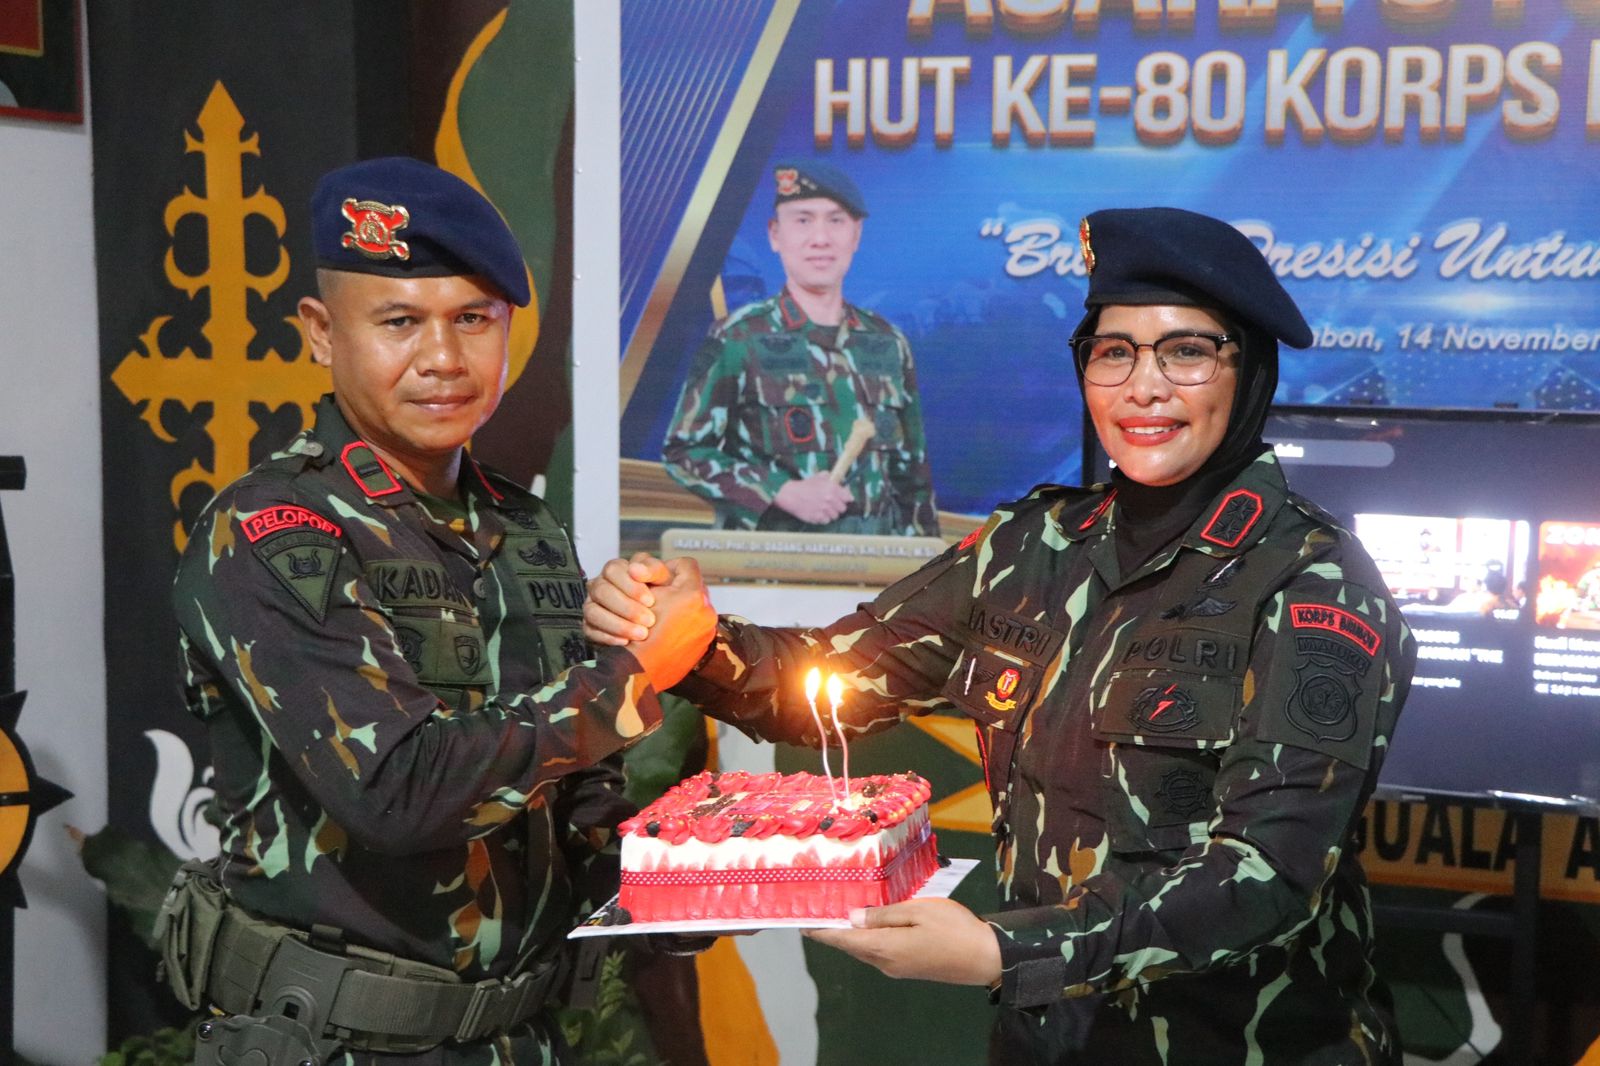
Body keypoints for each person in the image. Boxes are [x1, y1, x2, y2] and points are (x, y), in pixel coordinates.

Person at [589, 207, 1416, 1064]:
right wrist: (692, 640)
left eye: (1186, 351)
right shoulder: (1028, 548)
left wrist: (1004, 951)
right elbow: (828, 682)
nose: (1144, 387)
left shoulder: (1313, 582)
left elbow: (1267, 875)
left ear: (1251, 372)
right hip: (1044, 1041)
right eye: (1114, 352)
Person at [161, 157, 715, 1065]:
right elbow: (400, 795)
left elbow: (571, 803)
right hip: (338, 1043)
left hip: (519, 1037)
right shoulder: (270, 532)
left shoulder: (525, 529)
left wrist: (738, 873)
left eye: (473, 319)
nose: (445, 359)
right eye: (399, 322)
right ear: (320, 333)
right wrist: (632, 675)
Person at [661, 159, 939, 536]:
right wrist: (781, 491)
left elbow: (914, 482)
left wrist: (927, 565)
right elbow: (684, 452)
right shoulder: (738, 338)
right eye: (803, 220)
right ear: (775, 234)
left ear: (856, 235)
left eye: (836, 221)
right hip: (773, 563)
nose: (820, 239)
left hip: (876, 562)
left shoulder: (888, 343)